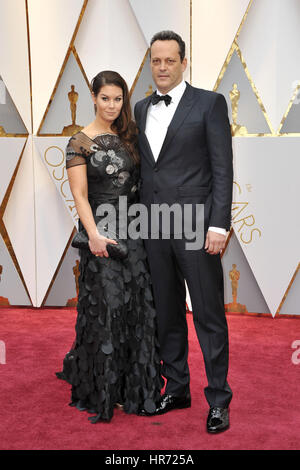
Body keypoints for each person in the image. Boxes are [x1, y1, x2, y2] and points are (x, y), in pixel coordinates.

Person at [134, 31, 233, 433]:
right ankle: (176, 386)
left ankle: (219, 400)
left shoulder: (209, 103)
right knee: (166, 312)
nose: (161, 67)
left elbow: (222, 168)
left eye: (169, 61)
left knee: (208, 314)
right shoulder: (140, 108)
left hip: (196, 225)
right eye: (156, 61)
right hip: (154, 225)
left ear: (183, 63)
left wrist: (218, 223)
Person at [56, 70, 163, 423]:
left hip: (134, 234)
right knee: (107, 310)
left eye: (118, 99)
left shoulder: (130, 136)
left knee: (138, 309)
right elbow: (80, 196)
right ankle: (103, 389)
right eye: (105, 98)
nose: (112, 105)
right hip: (100, 235)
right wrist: (94, 237)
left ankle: (129, 388)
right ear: (93, 97)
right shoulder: (79, 142)